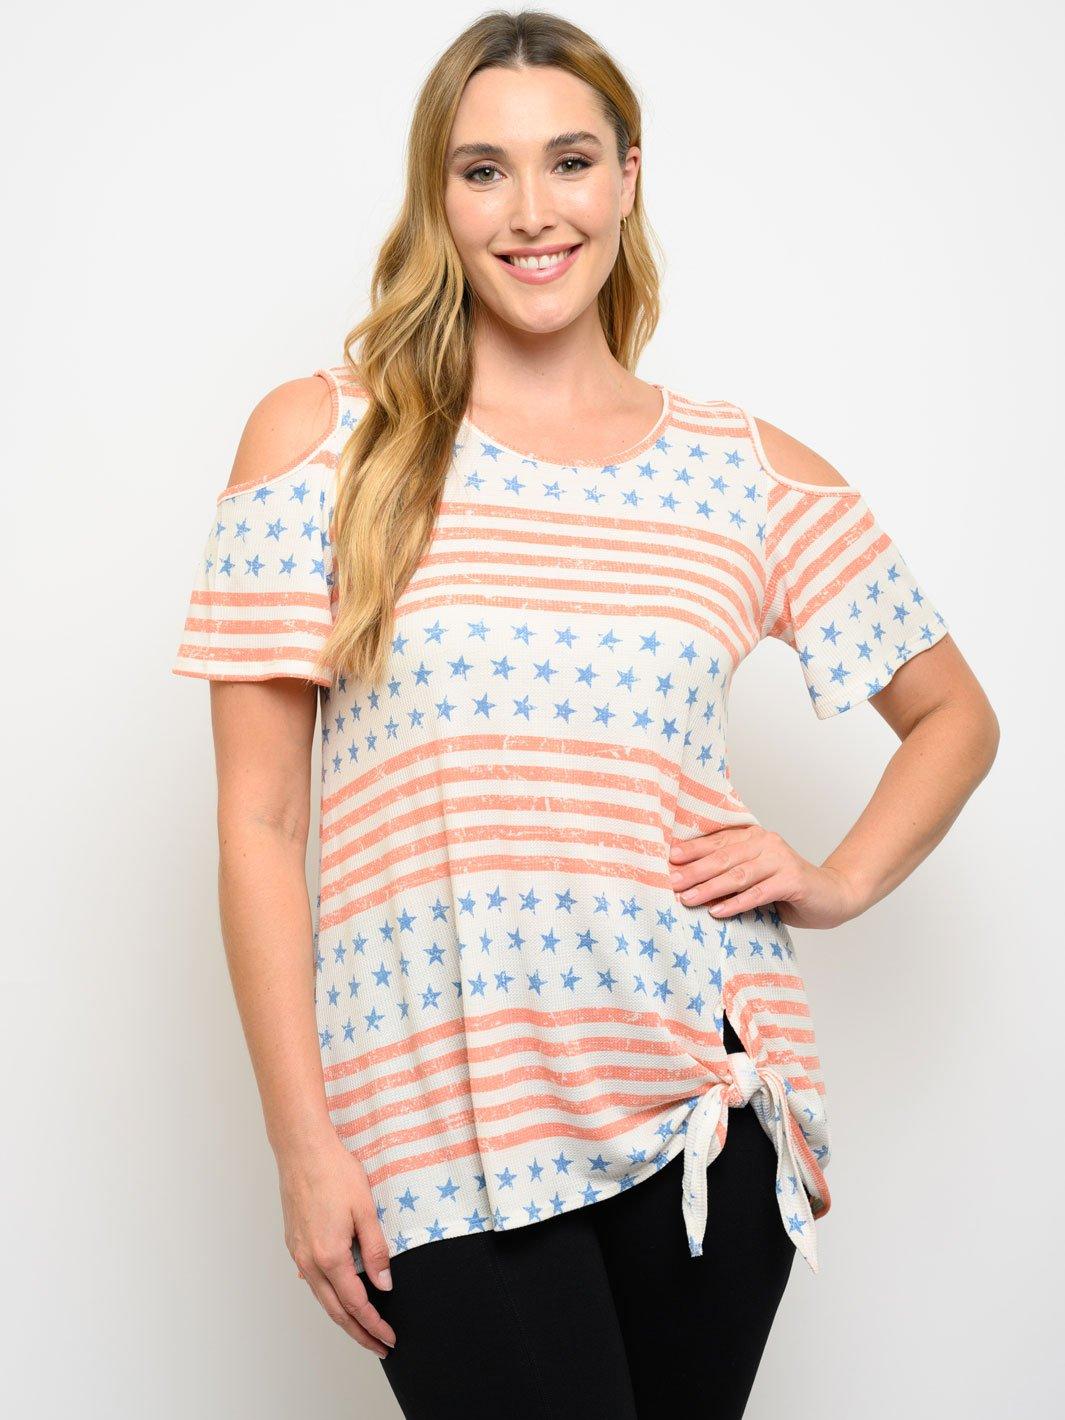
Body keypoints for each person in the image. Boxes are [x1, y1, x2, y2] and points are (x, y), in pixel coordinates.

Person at [171, 11, 998, 1418]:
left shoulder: (740, 472)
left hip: (701, 1111)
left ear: (626, 176)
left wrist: (837, 878)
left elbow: (954, 716)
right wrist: (304, 1147)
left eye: (567, 161)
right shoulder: (323, 443)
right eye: (482, 170)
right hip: (434, 1118)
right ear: (437, 197)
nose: (532, 211)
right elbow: (258, 822)